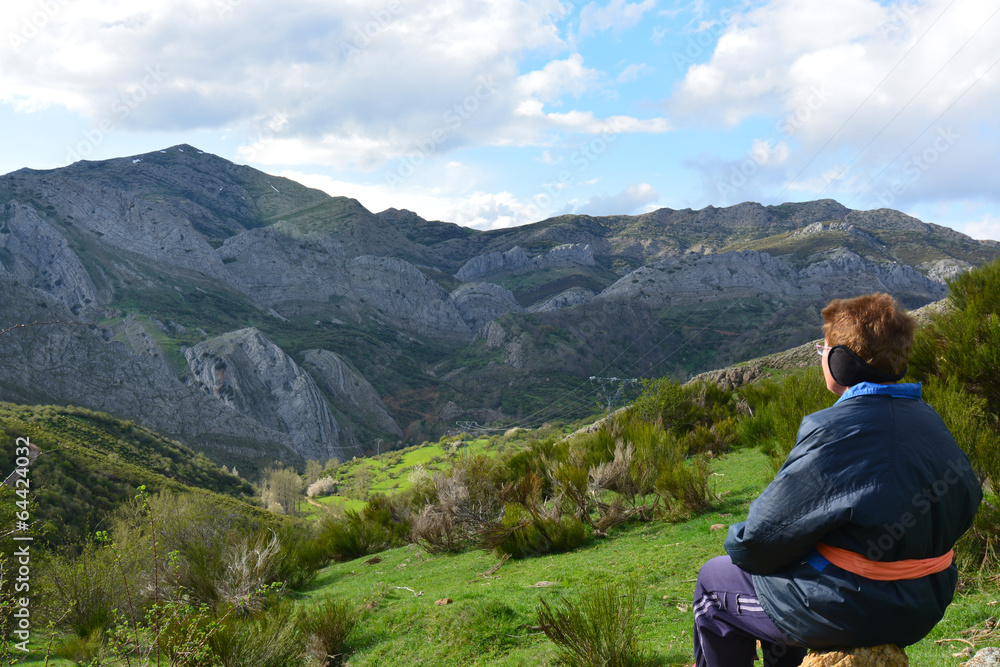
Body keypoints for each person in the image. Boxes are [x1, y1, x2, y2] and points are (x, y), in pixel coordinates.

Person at [691, 293, 983, 667]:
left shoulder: (833, 428)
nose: (821, 357)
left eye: (823, 348)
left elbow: (759, 541)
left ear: (839, 361)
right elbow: (967, 501)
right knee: (796, 571)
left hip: (852, 608)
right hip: (925, 603)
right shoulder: (931, 421)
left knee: (714, 583)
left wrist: (738, 540)